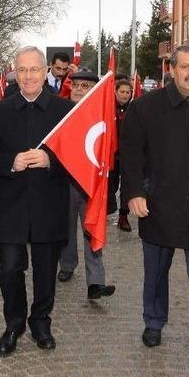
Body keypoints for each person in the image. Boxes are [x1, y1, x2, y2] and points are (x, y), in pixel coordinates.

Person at [120, 45, 189, 375]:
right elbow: (131, 156)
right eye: (185, 66)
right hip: (158, 206)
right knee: (156, 273)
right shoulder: (144, 108)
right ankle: (154, 321)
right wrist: (134, 194)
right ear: (171, 69)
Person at [0, 46, 73, 357]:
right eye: (22, 70)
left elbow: (78, 158)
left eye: (34, 70)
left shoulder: (63, 110)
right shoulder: (1, 111)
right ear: (15, 74)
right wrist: (9, 161)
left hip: (49, 204)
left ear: (46, 72)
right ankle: (14, 322)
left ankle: (41, 321)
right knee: (9, 268)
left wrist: (50, 160)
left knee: (46, 269)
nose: (28, 76)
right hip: (12, 206)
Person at [56, 67, 116, 300]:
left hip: (92, 183)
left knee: (92, 228)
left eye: (86, 86)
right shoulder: (60, 111)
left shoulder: (100, 114)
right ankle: (67, 265)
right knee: (67, 227)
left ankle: (95, 282)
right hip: (66, 181)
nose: (79, 90)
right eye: (76, 86)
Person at [109, 78, 133, 232]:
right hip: (111, 154)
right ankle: (106, 211)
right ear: (115, 92)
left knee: (127, 187)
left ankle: (123, 216)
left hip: (129, 155)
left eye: (128, 92)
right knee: (110, 186)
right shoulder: (108, 108)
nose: (125, 95)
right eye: (122, 92)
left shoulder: (135, 109)